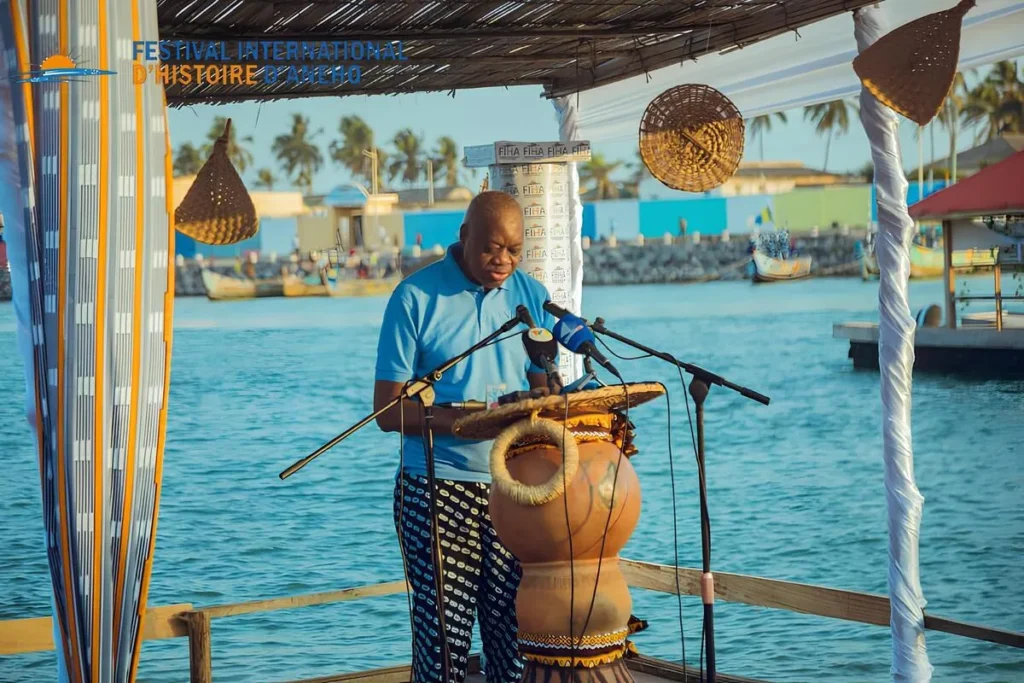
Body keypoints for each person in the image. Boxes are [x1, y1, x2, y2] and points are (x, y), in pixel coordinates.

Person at [374, 191, 555, 683]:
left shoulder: (532, 296)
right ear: (463, 238)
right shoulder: (414, 297)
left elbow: (541, 388)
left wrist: (547, 392)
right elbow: (387, 412)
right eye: (492, 248)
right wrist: (455, 420)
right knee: (444, 649)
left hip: (512, 488)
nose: (504, 261)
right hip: (435, 487)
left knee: (514, 642)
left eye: (515, 250)